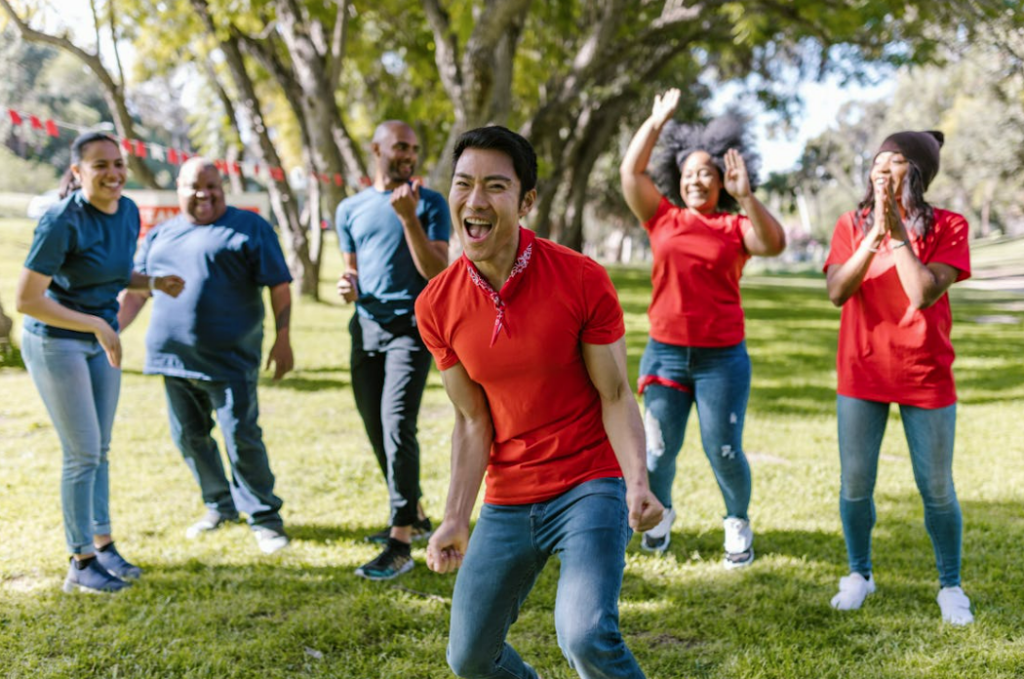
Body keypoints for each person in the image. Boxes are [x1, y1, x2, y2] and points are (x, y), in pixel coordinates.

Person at [417, 126, 664, 679]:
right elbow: (471, 420)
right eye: (463, 184)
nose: (475, 201)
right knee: (470, 658)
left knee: (584, 634)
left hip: (589, 483)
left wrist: (638, 481)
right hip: (508, 497)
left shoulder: (580, 278)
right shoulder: (436, 304)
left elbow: (616, 393)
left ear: (526, 201)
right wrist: (457, 517)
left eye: (495, 186)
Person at [619, 89, 786, 565]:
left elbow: (773, 243)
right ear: (678, 178)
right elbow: (630, 173)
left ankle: (737, 522)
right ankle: (662, 514)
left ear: (720, 180)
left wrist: (747, 196)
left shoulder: (735, 228)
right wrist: (655, 122)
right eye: (689, 173)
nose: (696, 180)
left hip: (721, 359)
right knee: (657, 453)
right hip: (666, 354)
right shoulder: (661, 218)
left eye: (706, 173)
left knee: (725, 450)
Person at [16, 131, 184, 593]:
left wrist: (149, 282)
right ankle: (81, 564)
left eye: (117, 163)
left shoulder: (128, 210)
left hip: (98, 340)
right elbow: (27, 300)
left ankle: (104, 547)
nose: (112, 174)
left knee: (100, 449)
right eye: (99, 166)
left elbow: (106, 273)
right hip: (57, 341)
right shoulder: (60, 220)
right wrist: (97, 325)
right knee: (82, 453)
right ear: (77, 172)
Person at [824, 130, 974, 625]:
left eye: (895, 162)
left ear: (918, 173)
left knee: (936, 488)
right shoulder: (851, 224)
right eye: (877, 162)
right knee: (855, 484)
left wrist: (898, 233)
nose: (880, 171)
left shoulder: (950, 225)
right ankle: (858, 574)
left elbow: (922, 293)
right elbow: (837, 291)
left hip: (925, 374)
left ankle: (950, 586)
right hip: (861, 372)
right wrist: (873, 236)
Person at [123, 157, 294, 555]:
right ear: (178, 190)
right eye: (194, 186)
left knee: (241, 437)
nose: (205, 194)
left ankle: (265, 518)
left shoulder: (250, 227)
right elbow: (137, 293)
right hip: (173, 359)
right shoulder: (161, 235)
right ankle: (220, 505)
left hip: (231, 359)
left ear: (223, 187)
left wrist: (283, 337)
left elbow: (280, 285)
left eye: (213, 185)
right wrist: (110, 332)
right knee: (189, 436)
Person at [335, 120, 451, 580]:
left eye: (415, 148)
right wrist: (349, 285)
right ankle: (416, 513)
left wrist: (408, 217)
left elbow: (438, 270)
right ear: (377, 149)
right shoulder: (350, 208)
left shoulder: (432, 203)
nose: (410, 155)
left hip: (412, 328)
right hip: (365, 328)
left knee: (396, 423)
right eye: (402, 146)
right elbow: (353, 271)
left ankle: (400, 539)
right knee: (375, 426)